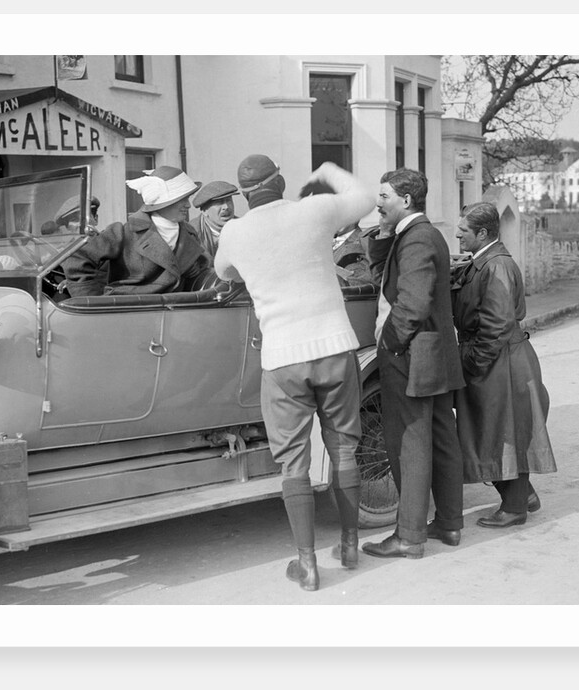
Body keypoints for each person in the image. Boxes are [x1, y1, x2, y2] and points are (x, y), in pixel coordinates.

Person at [214, 156, 373, 592]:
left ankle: (307, 564)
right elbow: (364, 198)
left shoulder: (233, 232)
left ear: (245, 194)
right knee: (343, 448)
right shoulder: (315, 211)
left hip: (283, 358)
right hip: (335, 347)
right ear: (280, 182)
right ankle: (350, 543)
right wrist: (326, 169)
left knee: (293, 462)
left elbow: (222, 272)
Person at [361, 168, 466, 559]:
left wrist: (389, 343)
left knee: (410, 445)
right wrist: (383, 237)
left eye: (384, 196)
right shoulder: (423, 234)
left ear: (405, 200)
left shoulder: (416, 238)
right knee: (441, 439)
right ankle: (450, 525)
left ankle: (408, 536)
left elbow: (413, 303)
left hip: (412, 357)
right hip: (435, 356)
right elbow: (386, 279)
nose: (377, 202)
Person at [451, 202, 557, 527]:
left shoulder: (496, 266)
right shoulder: (486, 261)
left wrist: (472, 363)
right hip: (500, 357)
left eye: (463, 230)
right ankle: (522, 495)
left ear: (483, 233)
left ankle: (514, 509)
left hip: (499, 360)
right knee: (493, 429)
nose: (457, 234)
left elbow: (495, 325)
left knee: (504, 430)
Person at [62, 167, 212, 296]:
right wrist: (92, 302)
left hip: (174, 312)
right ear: (162, 202)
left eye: (188, 198)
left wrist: (193, 265)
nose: (188, 205)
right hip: (131, 311)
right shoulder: (125, 232)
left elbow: (202, 267)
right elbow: (77, 257)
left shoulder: (189, 232)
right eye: (182, 199)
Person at [189, 181, 238, 257]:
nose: (226, 207)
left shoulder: (243, 227)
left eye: (228, 200)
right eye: (219, 202)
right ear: (205, 211)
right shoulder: (191, 233)